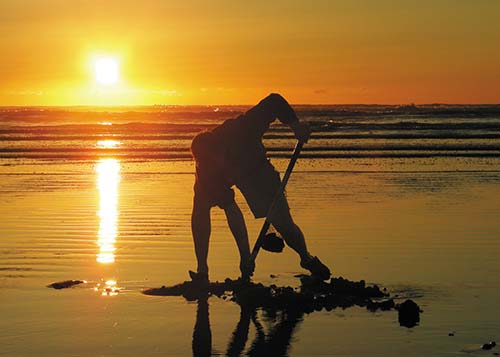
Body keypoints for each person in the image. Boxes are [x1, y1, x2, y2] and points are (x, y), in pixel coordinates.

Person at [189, 93, 330, 284]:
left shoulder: (242, 128)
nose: (216, 168)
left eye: (216, 162)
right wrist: (245, 256)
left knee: (285, 226)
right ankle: (202, 271)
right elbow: (232, 211)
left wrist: (295, 125)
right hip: (238, 175)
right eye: (209, 165)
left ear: (221, 148)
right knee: (200, 207)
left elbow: (274, 101)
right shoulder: (207, 171)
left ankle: (306, 258)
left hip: (258, 171)